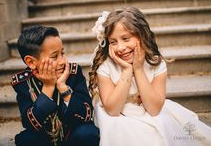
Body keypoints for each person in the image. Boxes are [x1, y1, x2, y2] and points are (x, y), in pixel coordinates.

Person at [89, 7, 211, 146]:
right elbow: (113, 110)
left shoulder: (156, 64)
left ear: (141, 36)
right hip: (117, 115)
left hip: (148, 109)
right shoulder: (105, 67)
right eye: (113, 42)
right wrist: (127, 71)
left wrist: (139, 69)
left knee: (161, 129)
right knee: (125, 132)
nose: (120, 47)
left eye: (125, 39)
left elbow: (153, 109)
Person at [11, 25, 99, 146]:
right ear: (31, 62)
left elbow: (86, 114)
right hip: (44, 138)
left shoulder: (73, 73)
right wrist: (48, 87)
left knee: (88, 133)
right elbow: (30, 123)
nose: (62, 61)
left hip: (72, 134)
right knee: (25, 139)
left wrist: (64, 88)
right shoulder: (23, 83)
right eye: (54, 56)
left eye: (62, 53)